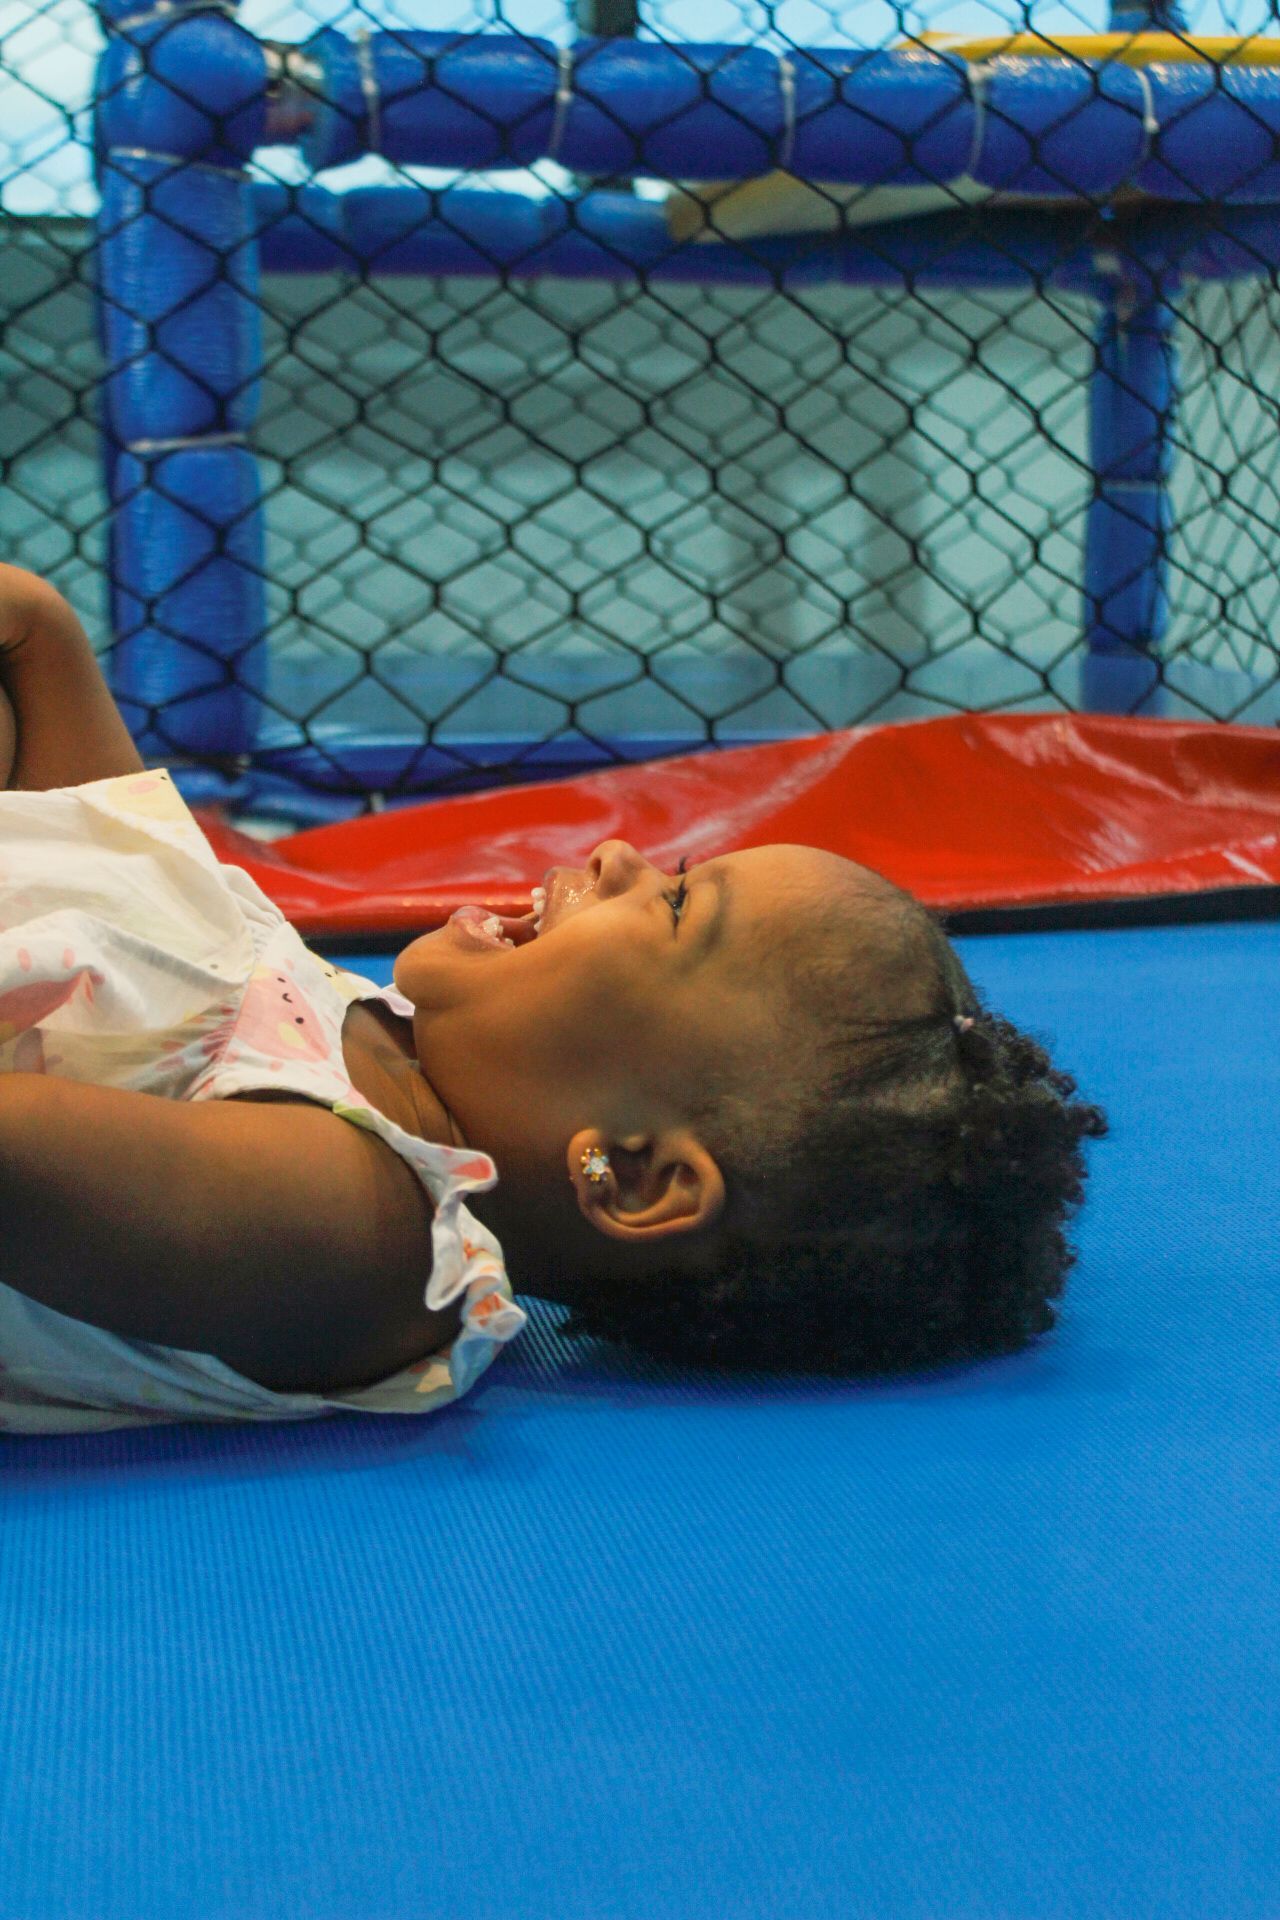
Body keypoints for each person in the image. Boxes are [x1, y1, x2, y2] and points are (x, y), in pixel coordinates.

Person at [0, 566, 1107, 1433]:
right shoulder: (376, 1046)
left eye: (676, 908)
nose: (624, 853)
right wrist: (40, 641)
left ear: (628, 1173)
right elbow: (126, 876)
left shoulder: (361, 1234)